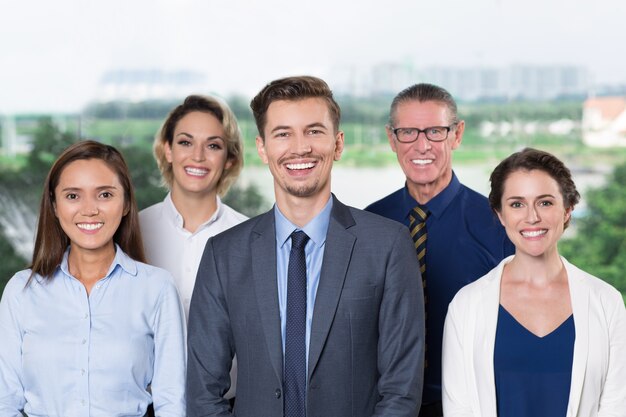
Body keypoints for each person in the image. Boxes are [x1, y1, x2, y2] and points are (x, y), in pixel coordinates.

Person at [186, 76, 425, 417]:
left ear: (338, 144)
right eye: (283, 133)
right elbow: (203, 392)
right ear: (263, 148)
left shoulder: (387, 246)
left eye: (314, 131)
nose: (300, 147)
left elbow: (400, 391)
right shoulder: (224, 255)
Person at [0, 140, 186, 416]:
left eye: (105, 195)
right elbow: (5, 401)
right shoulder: (21, 290)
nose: (89, 210)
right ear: (54, 205)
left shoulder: (157, 288)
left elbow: (172, 403)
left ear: (125, 204)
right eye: (73, 196)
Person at [365, 83, 514, 416]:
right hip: (382, 404)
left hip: (472, 404)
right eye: (408, 132)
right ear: (392, 138)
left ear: (457, 135)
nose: (422, 145)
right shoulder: (368, 223)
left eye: (434, 131)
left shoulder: (499, 225)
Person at [442, 148, 626, 417]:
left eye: (545, 202)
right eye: (517, 204)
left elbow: (616, 406)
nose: (532, 217)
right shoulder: (466, 305)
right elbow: (460, 409)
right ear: (500, 214)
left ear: (567, 209)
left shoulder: (606, 302)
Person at [140, 94, 247, 319]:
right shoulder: (134, 230)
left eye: (213, 145)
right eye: (185, 142)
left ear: (229, 159)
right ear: (168, 150)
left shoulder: (249, 239)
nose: (198, 156)